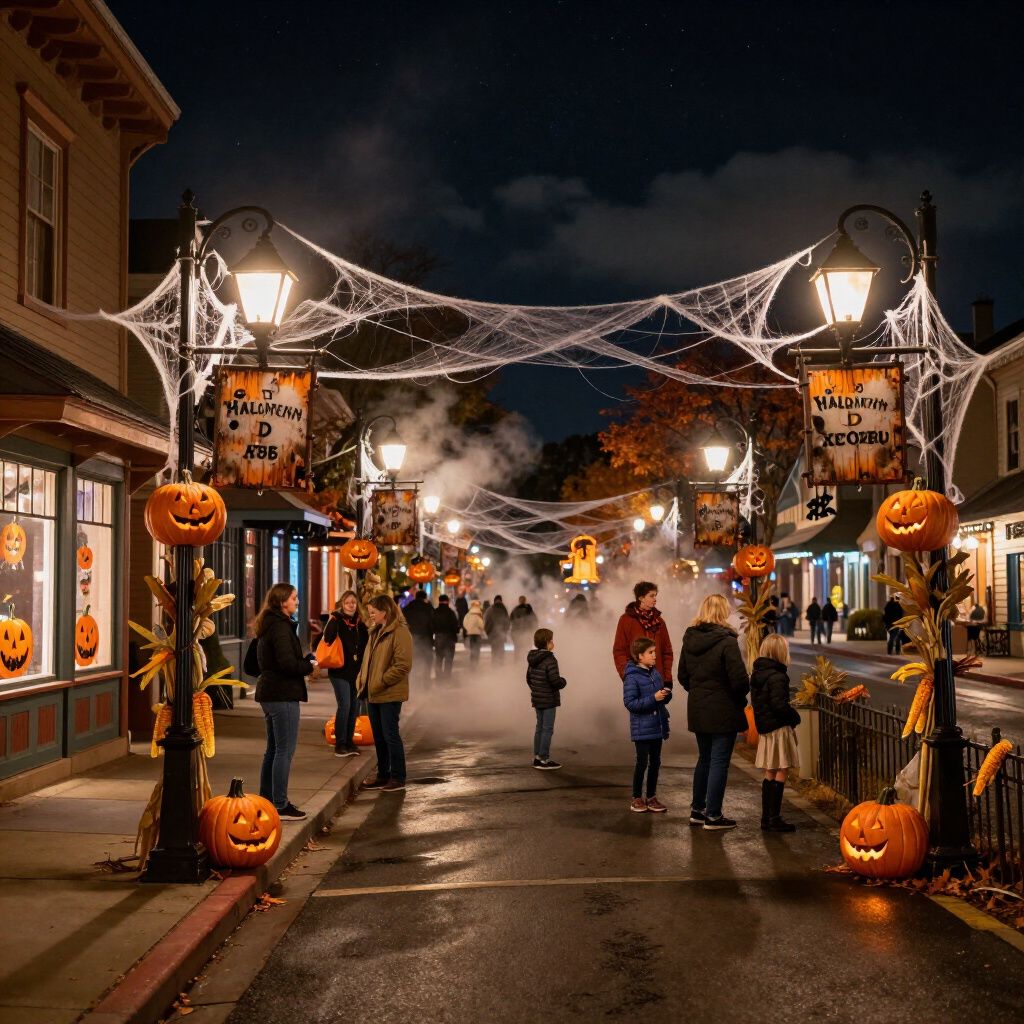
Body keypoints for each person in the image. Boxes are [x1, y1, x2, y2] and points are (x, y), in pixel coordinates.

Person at [678, 593, 749, 830]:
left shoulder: (689, 639)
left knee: (705, 759)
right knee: (719, 761)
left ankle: (697, 810)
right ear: (723, 612)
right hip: (723, 708)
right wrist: (739, 699)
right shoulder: (727, 641)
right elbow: (739, 680)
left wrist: (698, 692)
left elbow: (682, 676)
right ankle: (714, 815)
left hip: (698, 708)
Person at [254, 583, 316, 820]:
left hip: (270, 693)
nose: (297, 601)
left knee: (273, 750)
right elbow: (287, 664)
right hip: (282, 694)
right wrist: (308, 665)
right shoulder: (280, 627)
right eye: (294, 598)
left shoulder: (268, 624)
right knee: (284, 751)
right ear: (282, 602)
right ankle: (279, 804)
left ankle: (266, 798)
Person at [357, 594, 412, 793]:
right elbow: (367, 661)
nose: (370, 616)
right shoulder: (375, 632)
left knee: (390, 735)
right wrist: (361, 680)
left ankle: (398, 777)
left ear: (385, 612)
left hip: (389, 693)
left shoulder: (400, 632)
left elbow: (403, 665)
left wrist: (380, 681)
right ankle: (383, 774)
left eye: (373, 612)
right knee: (378, 736)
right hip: (372, 693)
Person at [750, 634, 800, 832]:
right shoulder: (778, 676)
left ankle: (766, 817)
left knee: (769, 770)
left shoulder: (758, 673)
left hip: (765, 727)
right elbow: (779, 705)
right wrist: (794, 717)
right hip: (778, 728)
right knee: (781, 768)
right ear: (780, 652)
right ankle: (774, 817)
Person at [623, 636, 672, 813]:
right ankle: (637, 797)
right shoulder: (631, 677)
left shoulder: (655, 674)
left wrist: (665, 694)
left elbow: (660, 699)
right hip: (642, 728)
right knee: (642, 762)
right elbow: (630, 703)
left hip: (657, 726)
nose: (654, 656)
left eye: (654, 652)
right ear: (639, 656)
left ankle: (651, 797)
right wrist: (653, 698)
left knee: (656, 762)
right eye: (650, 653)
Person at [322, 590, 369, 757]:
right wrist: (332, 620)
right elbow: (327, 639)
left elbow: (365, 648)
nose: (351, 605)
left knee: (354, 707)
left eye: (354, 603)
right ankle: (340, 744)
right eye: (348, 602)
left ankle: (350, 742)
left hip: (355, 672)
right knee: (345, 705)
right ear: (342, 604)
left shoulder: (360, 624)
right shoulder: (336, 620)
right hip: (339, 670)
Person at [612, 581, 674, 687]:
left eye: (655, 595)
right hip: (636, 680)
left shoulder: (659, 621)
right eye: (651, 596)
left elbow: (667, 652)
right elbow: (619, 651)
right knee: (638, 704)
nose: (655, 599)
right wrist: (627, 676)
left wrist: (667, 679)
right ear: (641, 598)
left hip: (658, 679)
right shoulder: (626, 620)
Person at [526, 627, 566, 770]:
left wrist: (537, 690)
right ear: (547, 643)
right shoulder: (550, 659)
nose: (553, 643)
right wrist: (563, 681)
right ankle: (544, 759)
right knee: (547, 729)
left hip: (537, 698)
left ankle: (537, 757)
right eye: (551, 640)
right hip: (549, 699)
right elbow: (555, 681)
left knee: (539, 728)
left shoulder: (532, 658)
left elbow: (528, 678)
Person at [403, 589, 434, 684]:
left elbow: (402, 622)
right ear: (425, 597)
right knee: (427, 660)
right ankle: (426, 682)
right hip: (426, 638)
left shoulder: (408, 607)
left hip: (411, 638)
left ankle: (413, 682)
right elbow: (433, 622)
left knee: (413, 661)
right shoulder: (428, 607)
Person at [431, 594, 460, 679]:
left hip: (439, 638)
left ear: (439, 601)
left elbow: (431, 626)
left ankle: (439, 678)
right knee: (449, 660)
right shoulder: (451, 613)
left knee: (439, 659)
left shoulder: (435, 612)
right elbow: (455, 626)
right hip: (449, 639)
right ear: (448, 601)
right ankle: (447, 679)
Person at [484, 595, 510, 662]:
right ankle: (500, 668)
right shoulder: (504, 609)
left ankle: (494, 668)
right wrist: (505, 631)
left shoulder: (490, 609)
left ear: (494, 600)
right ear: (501, 600)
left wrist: (488, 632)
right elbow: (507, 622)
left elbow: (486, 622)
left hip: (493, 635)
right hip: (502, 635)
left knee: (494, 652)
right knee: (501, 652)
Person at [463, 599, 486, 664]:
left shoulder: (468, 615)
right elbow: (481, 625)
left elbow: (465, 623)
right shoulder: (478, 615)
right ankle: (475, 662)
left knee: (472, 649)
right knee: (477, 649)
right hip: (477, 634)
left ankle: (472, 662)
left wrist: (469, 629)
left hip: (470, 634)